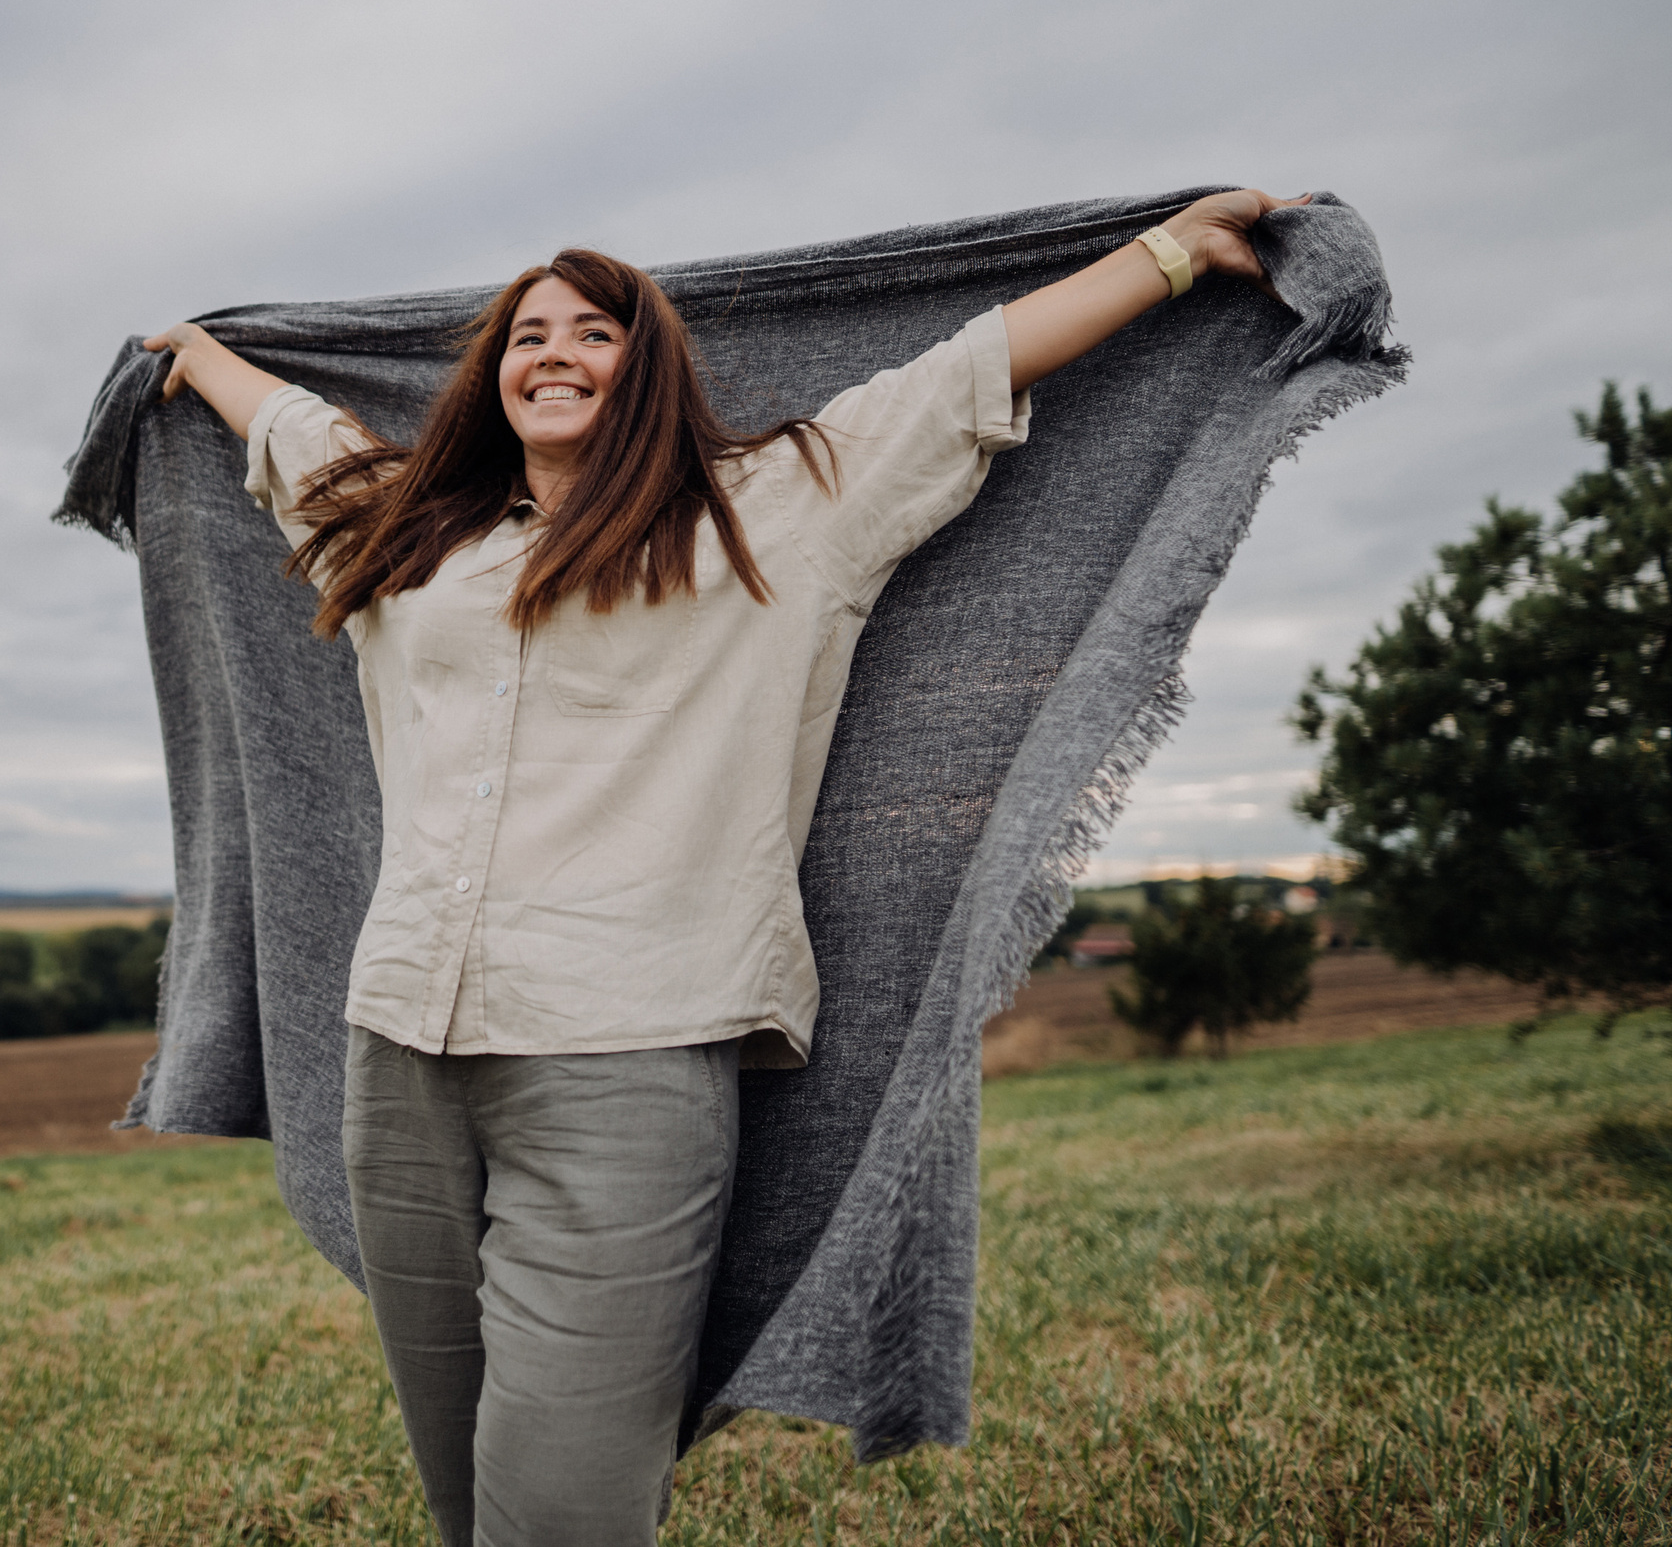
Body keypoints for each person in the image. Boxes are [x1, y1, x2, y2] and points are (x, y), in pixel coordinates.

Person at [145, 189, 1302, 1547]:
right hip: (397, 1055)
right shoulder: (415, 537)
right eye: (527, 333)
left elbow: (967, 373)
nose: (555, 349)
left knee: (565, 1514)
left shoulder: (778, 511)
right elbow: (299, 443)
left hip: (629, 1066)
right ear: (493, 376)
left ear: (652, 367)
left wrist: (1171, 257)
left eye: (596, 329)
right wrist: (198, 356)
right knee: (466, 1499)